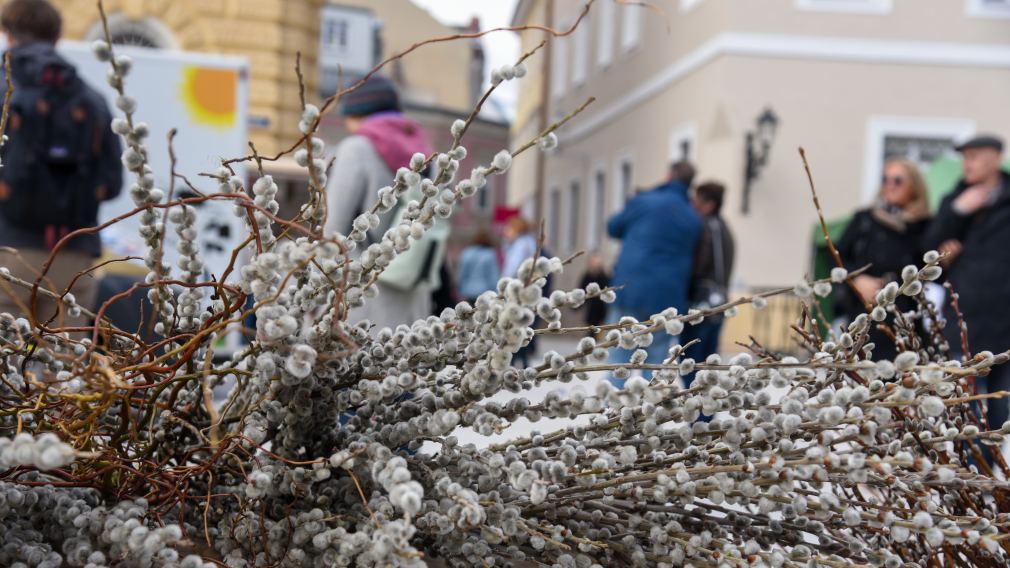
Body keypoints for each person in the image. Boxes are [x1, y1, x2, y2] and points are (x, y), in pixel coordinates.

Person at [0, 0, 123, 327]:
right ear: (57, 38)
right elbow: (113, 183)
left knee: (7, 351)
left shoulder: (6, 90)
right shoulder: (91, 99)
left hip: (8, 250)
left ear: (7, 34)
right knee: (66, 354)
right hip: (74, 254)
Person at [324, 75, 448, 331]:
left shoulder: (356, 149)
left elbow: (332, 230)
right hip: (413, 296)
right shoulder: (427, 155)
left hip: (364, 298)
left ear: (356, 113)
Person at [923, 134, 1010, 431]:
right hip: (964, 319)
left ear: (995, 158)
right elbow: (928, 251)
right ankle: (972, 461)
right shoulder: (955, 200)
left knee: (998, 410)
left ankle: (990, 462)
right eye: (964, 157)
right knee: (965, 408)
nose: (967, 163)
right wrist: (957, 211)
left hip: (1005, 321)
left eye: (974, 156)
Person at [606, 160, 701, 385]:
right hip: (667, 298)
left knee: (619, 362)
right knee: (655, 364)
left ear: (668, 176)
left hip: (630, 288)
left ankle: (612, 405)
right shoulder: (692, 217)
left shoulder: (643, 201)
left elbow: (613, 227)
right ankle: (648, 405)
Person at [835, 158, 931, 361]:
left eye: (898, 180)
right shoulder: (865, 219)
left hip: (905, 316)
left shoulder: (925, 225)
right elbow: (837, 255)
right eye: (885, 179)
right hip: (865, 311)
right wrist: (856, 279)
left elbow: (931, 267)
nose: (890, 185)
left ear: (914, 186)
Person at [681, 181, 735, 388]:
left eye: (697, 200)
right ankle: (704, 404)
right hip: (717, 303)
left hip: (702, 304)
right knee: (707, 361)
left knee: (691, 360)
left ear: (709, 204)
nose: (693, 204)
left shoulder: (707, 226)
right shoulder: (724, 227)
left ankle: (697, 404)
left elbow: (701, 265)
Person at [502, 216, 542, 367]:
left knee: (515, 324)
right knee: (522, 324)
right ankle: (522, 360)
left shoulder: (521, 244)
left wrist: (504, 284)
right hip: (525, 288)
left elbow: (512, 266)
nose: (506, 231)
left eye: (509, 229)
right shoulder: (527, 242)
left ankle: (515, 359)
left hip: (517, 289)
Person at [456, 230, 499, 304]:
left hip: (468, 291)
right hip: (484, 292)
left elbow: (462, 274)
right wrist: (495, 293)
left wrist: (460, 290)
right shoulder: (490, 254)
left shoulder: (467, 253)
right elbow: (493, 276)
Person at [579, 251, 610, 333]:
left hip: (601, 309)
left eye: (595, 262)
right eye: (592, 262)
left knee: (598, 331)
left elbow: (606, 291)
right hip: (591, 309)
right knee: (591, 330)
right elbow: (582, 290)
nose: (594, 264)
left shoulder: (604, 276)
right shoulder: (587, 275)